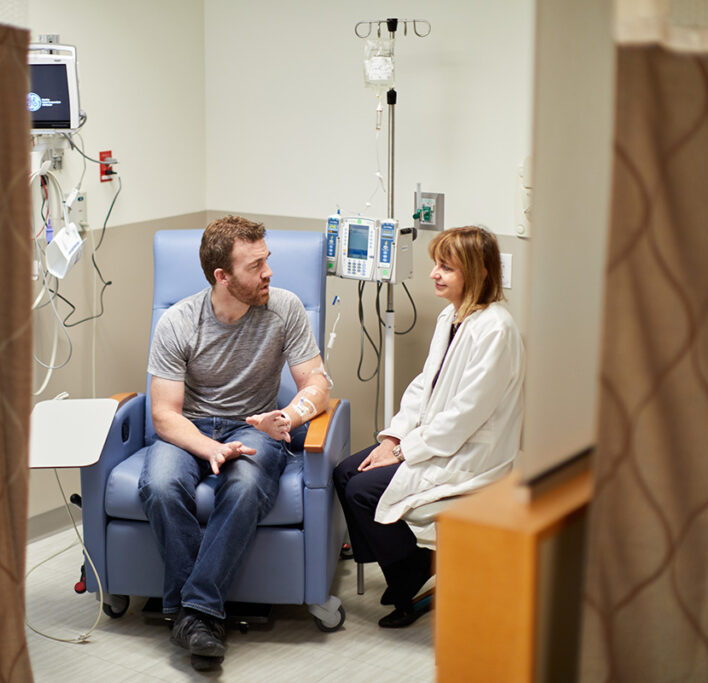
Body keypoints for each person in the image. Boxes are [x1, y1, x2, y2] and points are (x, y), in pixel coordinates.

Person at [138, 216, 331, 671]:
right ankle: (200, 614)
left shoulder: (284, 308)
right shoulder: (178, 322)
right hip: (190, 427)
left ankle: (193, 612)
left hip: (254, 425)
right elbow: (164, 413)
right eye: (255, 265)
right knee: (161, 485)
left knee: (245, 487)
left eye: (268, 260)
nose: (268, 272)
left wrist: (287, 416)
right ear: (221, 276)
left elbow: (317, 384)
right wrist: (208, 447)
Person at [333, 225, 525, 628]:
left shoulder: (496, 330)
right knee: (344, 471)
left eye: (446, 268)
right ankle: (410, 564)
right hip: (436, 439)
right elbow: (424, 386)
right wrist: (391, 437)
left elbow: (465, 415)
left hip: (470, 451)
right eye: (436, 265)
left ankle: (413, 575)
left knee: (363, 489)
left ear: (477, 272)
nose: (435, 274)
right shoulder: (451, 316)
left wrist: (403, 452)